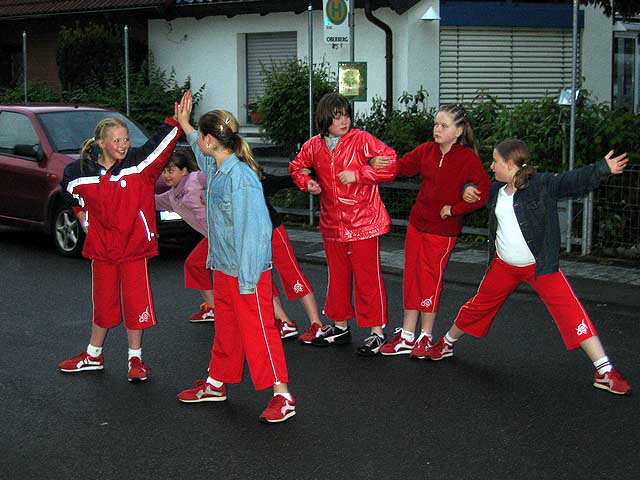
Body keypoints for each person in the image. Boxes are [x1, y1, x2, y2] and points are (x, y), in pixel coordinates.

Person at [422, 138, 632, 396]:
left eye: (496, 162)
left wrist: (602, 169)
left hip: (539, 265)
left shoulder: (541, 185)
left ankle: (605, 370)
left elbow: (570, 181)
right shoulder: (496, 190)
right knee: (479, 305)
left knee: (571, 311)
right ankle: (446, 343)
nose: (491, 166)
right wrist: (465, 189)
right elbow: (470, 188)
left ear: (510, 164)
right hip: (503, 266)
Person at [175, 92, 296, 423]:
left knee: (259, 331)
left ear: (210, 139)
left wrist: (248, 280)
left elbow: (256, 233)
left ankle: (282, 396)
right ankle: (217, 383)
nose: (197, 141)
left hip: (248, 271)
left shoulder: (241, 179)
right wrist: (185, 124)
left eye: (200, 135)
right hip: (225, 268)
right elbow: (199, 157)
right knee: (226, 329)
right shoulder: (216, 167)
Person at [58, 92, 188, 382]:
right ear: (102, 143)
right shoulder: (79, 172)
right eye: (116, 140)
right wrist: (81, 217)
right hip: (102, 250)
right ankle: (93, 355)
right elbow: (68, 193)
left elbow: (161, 147)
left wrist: (176, 123)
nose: (123, 145)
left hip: (134, 249)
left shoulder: (139, 166)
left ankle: (135, 360)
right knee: (103, 304)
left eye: (126, 139)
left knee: (135, 304)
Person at [370, 104, 491, 358]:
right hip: (418, 224)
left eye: (444, 126)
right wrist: (378, 162)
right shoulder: (427, 150)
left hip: (442, 230)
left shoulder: (467, 158)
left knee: (429, 280)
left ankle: (426, 336)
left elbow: (483, 193)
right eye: (436, 124)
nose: (437, 129)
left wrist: (455, 208)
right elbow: (401, 167)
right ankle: (406, 334)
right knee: (411, 277)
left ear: (458, 131)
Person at [289, 92, 397, 356]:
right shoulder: (313, 145)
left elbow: (392, 163)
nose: (344, 121)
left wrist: (359, 174)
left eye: (346, 115)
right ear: (325, 118)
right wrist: (308, 183)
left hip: (364, 222)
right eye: (337, 117)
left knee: (367, 278)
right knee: (337, 277)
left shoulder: (362, 140)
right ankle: (340, 326)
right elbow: (297, 168)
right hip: (333, 224)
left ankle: (376, 333)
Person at [260, 171, 325, 343]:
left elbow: (284, 180)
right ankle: (284, 321)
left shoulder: (254, 176)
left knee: (292, 274)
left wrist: (307, 173)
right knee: (259, 280)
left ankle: (316, 324)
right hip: (251, 237)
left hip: (272, 231)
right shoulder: (222, 177)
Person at [154, 151, 214, 322]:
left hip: (227, 234)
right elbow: (153, 202)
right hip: (213, 238)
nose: (166, 175)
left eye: (171, 170)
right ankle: (213, 307)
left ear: (184, 171)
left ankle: (270, 316)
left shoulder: (196, 178)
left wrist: (209, 193)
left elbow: (219, 177)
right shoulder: (172, 196)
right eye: (164, 171)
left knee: (239, 276)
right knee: (195, 264)